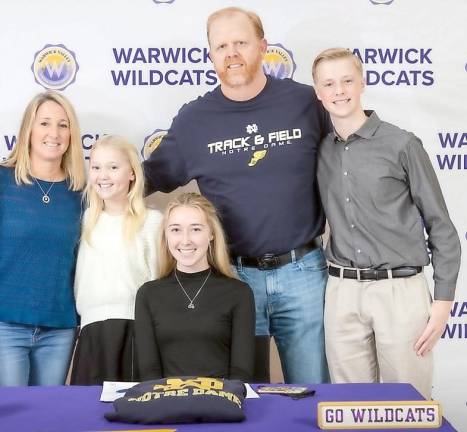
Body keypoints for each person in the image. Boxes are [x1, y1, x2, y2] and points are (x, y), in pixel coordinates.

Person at [143, 6, 330, 383]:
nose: (231, 53)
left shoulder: (306, 103)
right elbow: (144, 180)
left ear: (262, 47)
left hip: (304, 273)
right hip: (233, 278)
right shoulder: (195, 119)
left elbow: (350, 158)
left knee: (312, 391)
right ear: (210, 55)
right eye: (221, 46)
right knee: (244, 394)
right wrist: (85, 183)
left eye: (241, 42)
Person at [312, 48, 461, 398]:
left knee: (407, 403)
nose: (339, 91)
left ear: (362, 82)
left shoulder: (402, 144)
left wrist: (442, 302)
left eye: (347, 80)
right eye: (329, 84)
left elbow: (441, 225)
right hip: (341, 291)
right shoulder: (321, 151)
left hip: (400, 290)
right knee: (349, 405)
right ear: (318, 93)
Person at [0, 91, 85, 386]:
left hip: (60, 327)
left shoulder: (83, 193)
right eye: (45, 123)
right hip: (2, 324)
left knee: (48, 422)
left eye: (63, 125)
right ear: (29, 130)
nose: (54, 133)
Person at [69, 135, 162, 385]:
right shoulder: (87, 218)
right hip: (91, 333)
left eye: (113, 167)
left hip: (135, 332)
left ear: (132, 173)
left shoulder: (151, 222)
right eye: (97, 167)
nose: (103, 175)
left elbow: (159, 284)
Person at [135, 193, 255, 382]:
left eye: (196, 229)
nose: (185, 240)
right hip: (166, 404)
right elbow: (149, 371)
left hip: (221, 403)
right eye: (175, 230)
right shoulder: (148, 294)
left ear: (212, 234)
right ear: (165, 235)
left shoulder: (239, 293)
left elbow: (242, 371)